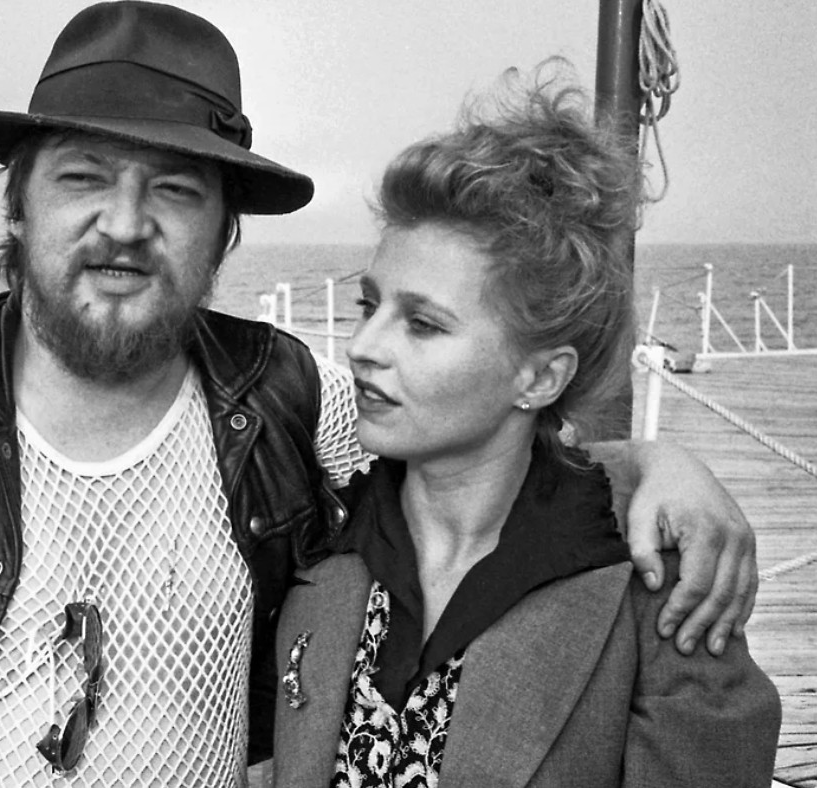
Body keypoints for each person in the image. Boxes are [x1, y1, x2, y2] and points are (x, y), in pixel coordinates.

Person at [0, 5, 757, 787]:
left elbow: (479, 461)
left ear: (224, 232)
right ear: (19, 207)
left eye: (176, 192)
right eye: (82, 177)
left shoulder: (290, 401)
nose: (124, 223)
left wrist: (656, 466)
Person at [270, 67, 780, 788]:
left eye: (422, 323)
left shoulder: (656, 597)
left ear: (539, 378)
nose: (363, 346)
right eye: (368, 305)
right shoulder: (320, 546)